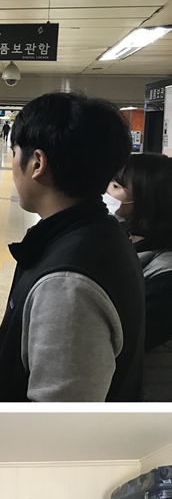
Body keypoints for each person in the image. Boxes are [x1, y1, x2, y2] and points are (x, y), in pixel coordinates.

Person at [0, 94, 144, 401]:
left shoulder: (68, 285)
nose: (13, 165)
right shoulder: (103, 233)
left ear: (37, 163)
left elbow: (57, 422)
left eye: (15, 153)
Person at [115, 154, 172, 397]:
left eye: (116, 186)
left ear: (146, 199)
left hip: (145, 398)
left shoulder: (166, 275)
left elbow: (123, 337)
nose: (105, 192)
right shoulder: (124, 242)